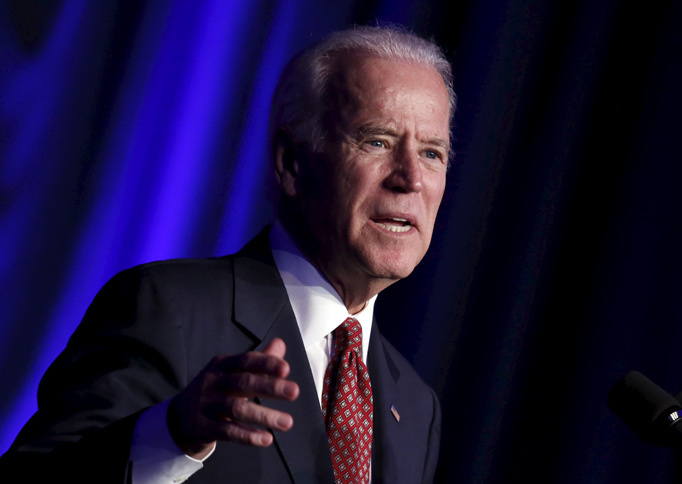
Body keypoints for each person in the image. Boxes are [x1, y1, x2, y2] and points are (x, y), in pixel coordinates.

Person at [0, 25, 455, 483]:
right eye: (376, 141)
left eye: (432, 153)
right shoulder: (167, 309)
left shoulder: (416, 406)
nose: (411, 178)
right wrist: (171, 435)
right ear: (291, 163)